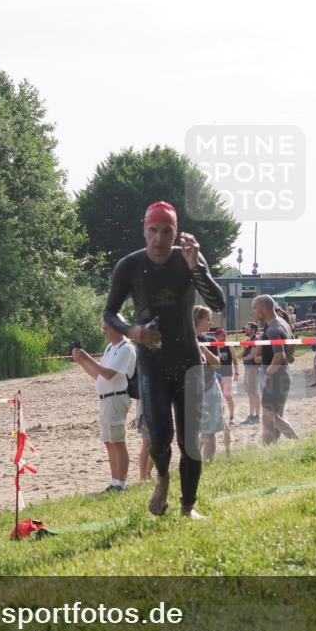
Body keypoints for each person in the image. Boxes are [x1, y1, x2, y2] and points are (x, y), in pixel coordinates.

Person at [103, 200, 225, 519]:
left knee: (190, 443)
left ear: (175, 232)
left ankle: (188, 506)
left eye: (166, 231)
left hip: (188, 361)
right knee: (158, 437)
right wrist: (133, 330)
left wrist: (196, 266)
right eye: (153, 230)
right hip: (152, 363)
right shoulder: (129, 266)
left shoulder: (187, 259)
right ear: (144, 231)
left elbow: (218, 302)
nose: (159, 238)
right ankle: (163, 477)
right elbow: (109, 311)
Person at [72, 320, 137, 492]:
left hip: (117, 398)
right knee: (109, 442)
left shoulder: (126, 348)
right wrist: (82, 362)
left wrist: (88, 358)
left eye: (106, 328)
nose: (103, 332)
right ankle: (115, 481)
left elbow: (108, 374)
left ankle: (121, 483)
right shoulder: (110, 348)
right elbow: (99, 375)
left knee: (118, 441)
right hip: (106, 399)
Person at [251, 295, 300, 444]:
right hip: (282, 374)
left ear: (264, 308)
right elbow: (292, 345)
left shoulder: (273, 328)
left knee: (270, 415)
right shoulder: (282, 322)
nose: (253, 312)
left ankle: (297, 441)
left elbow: (279, 356)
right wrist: (288, 358)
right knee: (271, 416)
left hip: (275, 376)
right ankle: (269, 448)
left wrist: (268, 373)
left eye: (255, 308)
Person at [195, 307, 230, 461]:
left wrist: (205, 351)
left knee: (209, 431)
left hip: (209, 388)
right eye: (208, 319)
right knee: (195, 431)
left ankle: (208, 464)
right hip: (191, 391)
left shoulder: (209, 341)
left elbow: (217, 364)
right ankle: (194, 462)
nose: (211, 322)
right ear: (198, 319)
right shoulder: (184, 340)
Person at [213, 327, 239, 423]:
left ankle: (232, 416)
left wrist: (237, 373)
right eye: (222, 335)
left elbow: (235, 361)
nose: (224, 336)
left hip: (227, 374)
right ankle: (219, 417)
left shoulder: (229, 347)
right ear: (216, 336)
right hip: (216, 374)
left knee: (228, 396)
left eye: (225, 335)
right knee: (217, 396)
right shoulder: (214, 346)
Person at [240, 322, 262, 423]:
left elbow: (252, 355)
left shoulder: (255, 340)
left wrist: (243, 358)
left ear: (253, 330)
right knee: (250, 393)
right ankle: (251, 415)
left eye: (247, 328)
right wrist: (243, 351)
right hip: (248, 368)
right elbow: (239, 355)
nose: (245, 330)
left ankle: (257, 416)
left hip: (253, 368)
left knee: (254, 393)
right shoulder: (248, 340)